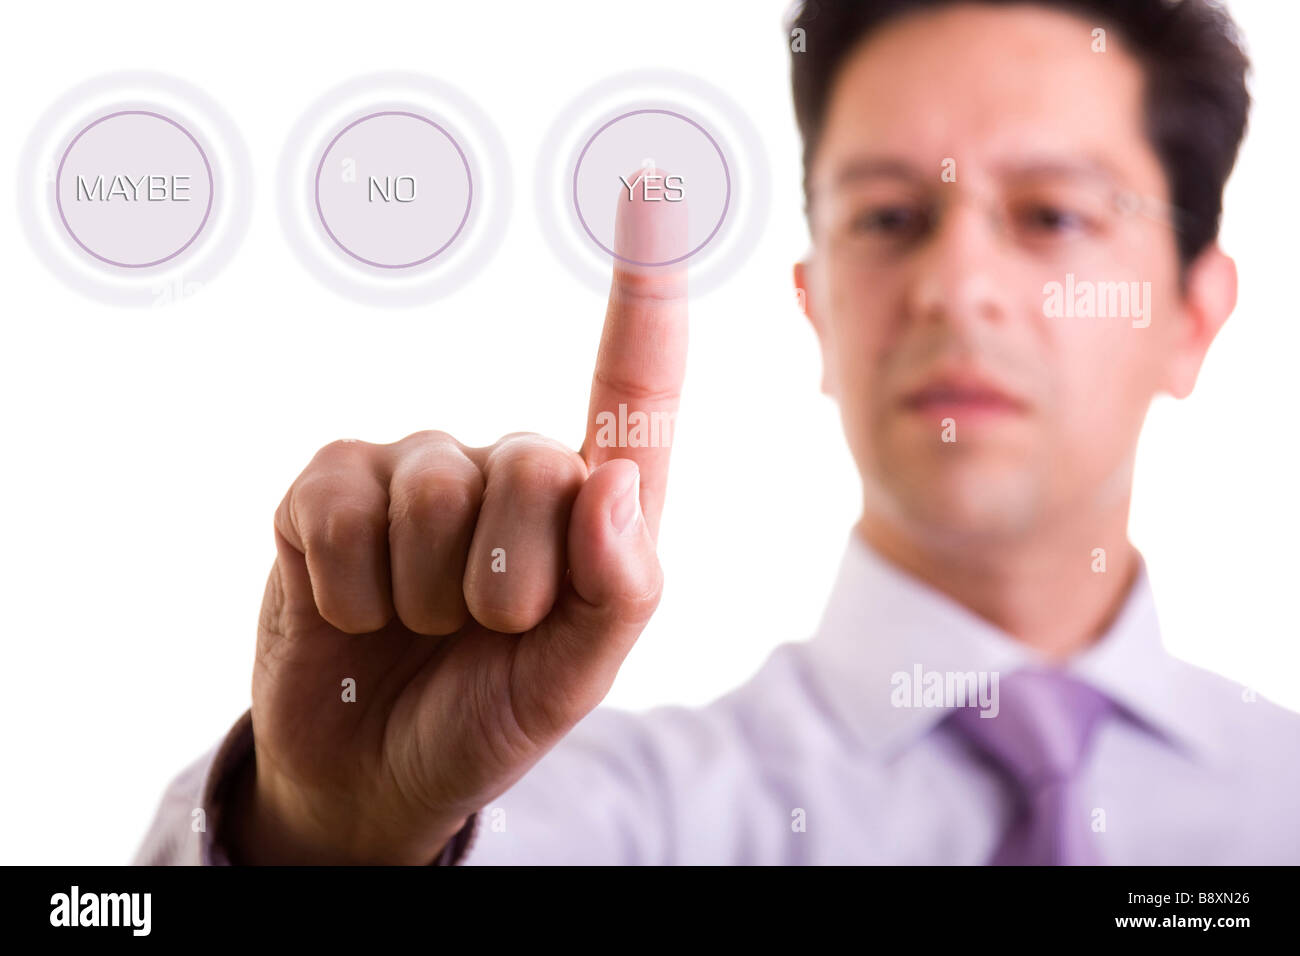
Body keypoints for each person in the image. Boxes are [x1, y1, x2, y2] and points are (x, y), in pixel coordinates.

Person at [135, 0, 1300, 865]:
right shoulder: (578, 812)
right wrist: (318, 835)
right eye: (888, 216)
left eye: (1051, 214)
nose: (955, 285)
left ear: (1192, 317)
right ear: (819, 310)